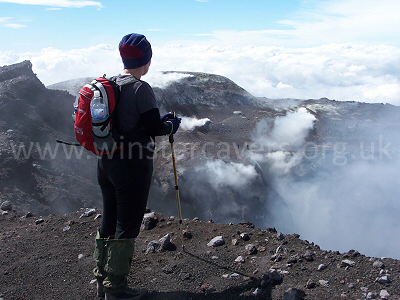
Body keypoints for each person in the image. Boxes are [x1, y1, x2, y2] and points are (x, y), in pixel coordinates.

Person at [93, 33, 181, 300]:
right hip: (132, 165)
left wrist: (156, 122)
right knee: (128, 224)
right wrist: (171, 126)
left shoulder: (110, 84)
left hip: (105, 162)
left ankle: (102, 280)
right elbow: (155, 127)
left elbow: (131, 122)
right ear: (147, 60)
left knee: (109, 218)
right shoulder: (141, 88)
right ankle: (116, 290)